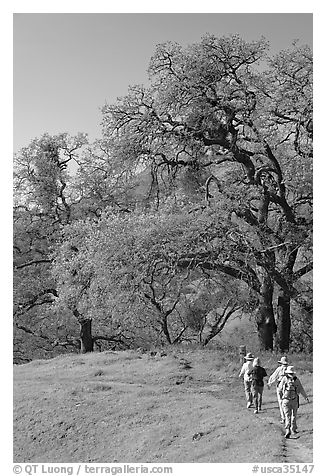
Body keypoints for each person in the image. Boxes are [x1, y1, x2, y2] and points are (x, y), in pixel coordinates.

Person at [278, 366, 309, 438]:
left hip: (286, 400)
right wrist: (306, 397)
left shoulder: (284, 379)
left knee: (287, 415)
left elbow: (279, 388)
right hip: (294, 399)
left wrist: (282, 395)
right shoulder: (296, 380)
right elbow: (301, 389)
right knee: (294, 414)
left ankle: (287, 429)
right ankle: (293, 428)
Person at [267, 356, 289, 423]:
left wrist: (269, 383)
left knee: (280, 401)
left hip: (280, 385)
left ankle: (283, 417)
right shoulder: (289, 369)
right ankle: (287, 416)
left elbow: (274, 377)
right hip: (288, 386)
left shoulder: (279, 369)